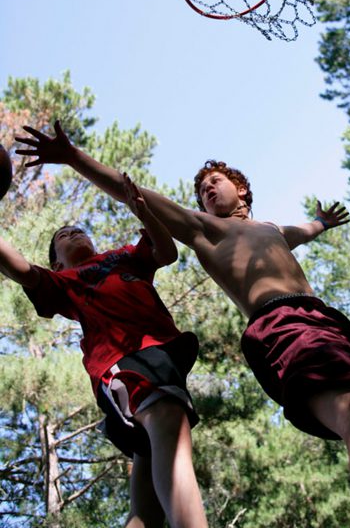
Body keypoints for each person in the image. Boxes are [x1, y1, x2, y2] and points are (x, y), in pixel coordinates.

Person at [16, 121, 350, 528]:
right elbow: (132, 191)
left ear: (241, 188)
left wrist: (323, 223)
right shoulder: (205, 229)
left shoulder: (271, 228)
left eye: (213, 182)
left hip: (331, 324)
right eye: (201, 190)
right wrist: (72, 157)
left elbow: (303, 230)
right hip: (284, 326)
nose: (206, 190)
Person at [0, 172, 207, 528]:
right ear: (56, 263)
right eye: (63, 236)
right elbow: (19, 268)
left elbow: (167, 252)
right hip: (124, 362)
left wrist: (144, 213)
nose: (73, 233)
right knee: (168, 420)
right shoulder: (63, 281)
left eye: (78, 229)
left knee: (147, 505)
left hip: (161, 357)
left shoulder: (124, 257)